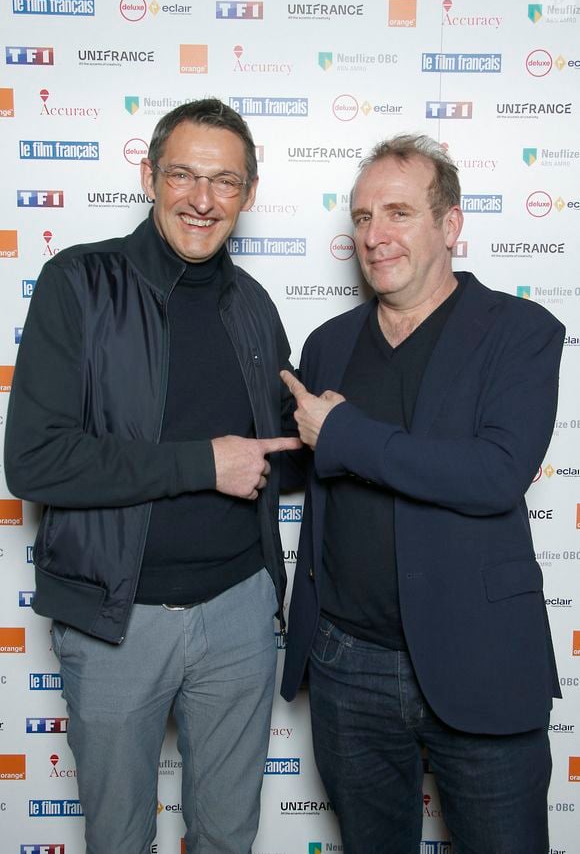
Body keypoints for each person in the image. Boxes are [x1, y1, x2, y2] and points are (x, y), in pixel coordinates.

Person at [5, 98, 301, 854]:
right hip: (117, 619)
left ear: (250, 193)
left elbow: (270, 455)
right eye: (183, 175)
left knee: (229, 836)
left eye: (225, 181)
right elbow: (35, 459)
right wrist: (204, 462)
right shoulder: (78, 282)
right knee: (118, 838)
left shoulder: (255, 306)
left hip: (240, 613)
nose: (202, 200)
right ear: (149, 176)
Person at [280, 134, 564, 854]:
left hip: (481, 657)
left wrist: (343, 432)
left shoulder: (519, 332)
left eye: (398, 213)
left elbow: (494, 473)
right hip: (348, 665)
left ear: (450, 225)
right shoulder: (327, 344)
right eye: (363, 216)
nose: (374, 236)